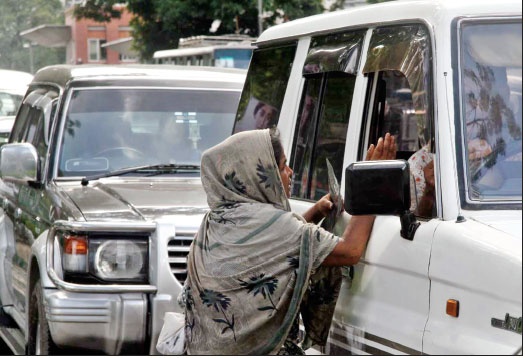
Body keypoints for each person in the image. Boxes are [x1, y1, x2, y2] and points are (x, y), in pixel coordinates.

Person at [180, 129, 396, 355]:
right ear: (262, 174)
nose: (290, 172)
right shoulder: (280, 227)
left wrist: (315, 212)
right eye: (282, 167)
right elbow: (351, 251)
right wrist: (373, 181)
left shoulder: (214, 221)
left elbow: (268, 245)